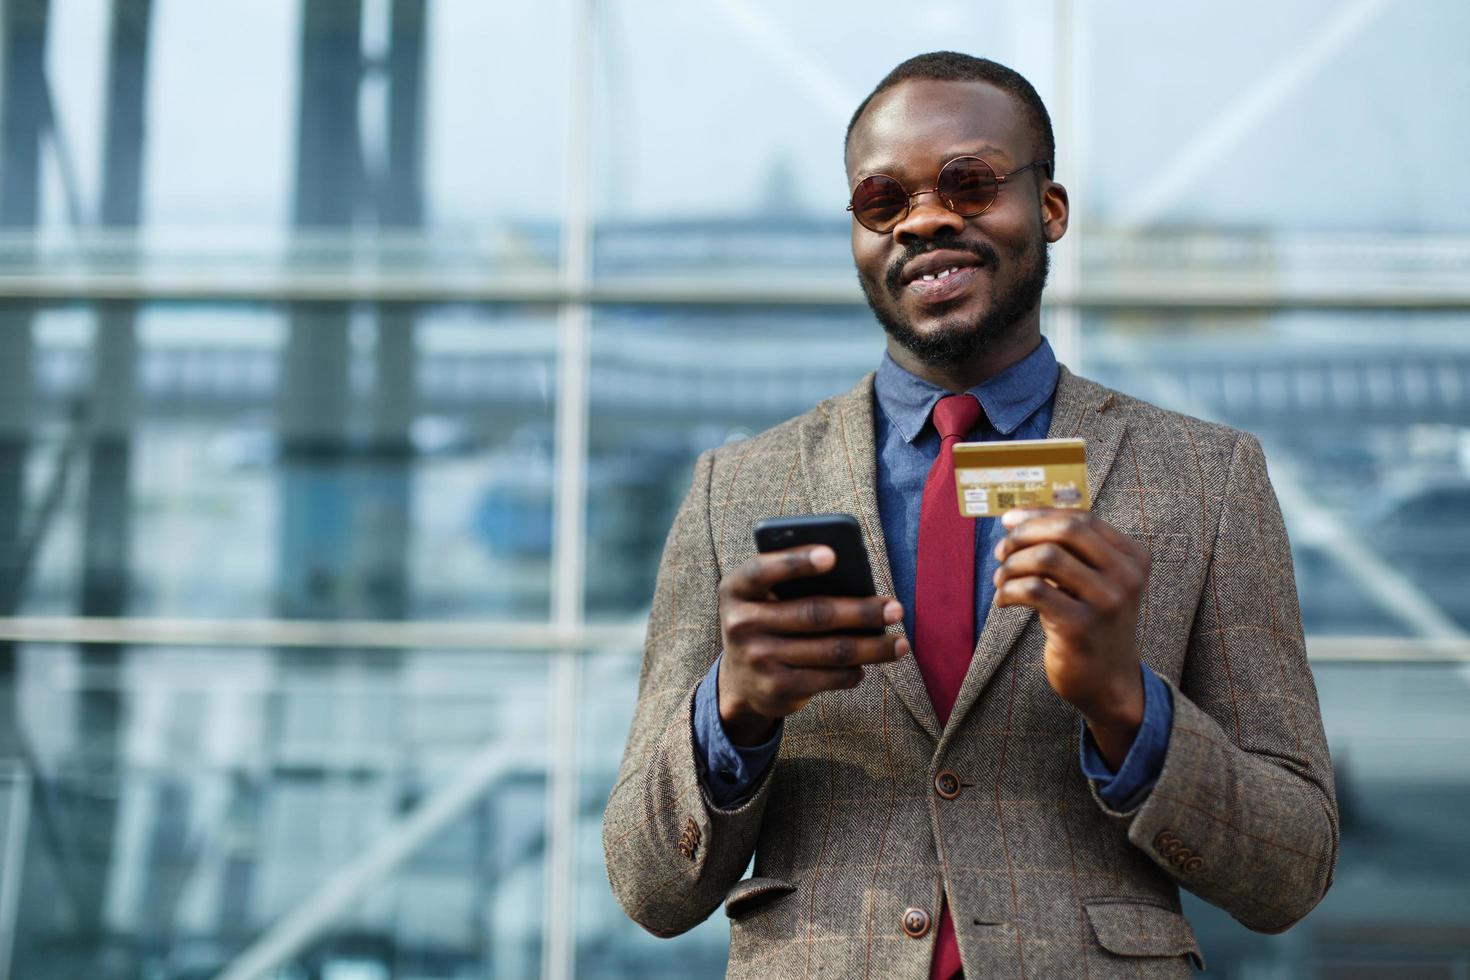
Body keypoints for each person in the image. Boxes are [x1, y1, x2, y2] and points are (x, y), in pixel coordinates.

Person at [602, 51, 1338, 979]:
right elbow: (644, 885)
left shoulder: (1207, 478)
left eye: (971, 183)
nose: (926, 219)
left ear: (1051, 208)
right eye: (883, 201)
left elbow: (1294, 870)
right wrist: (733, 713)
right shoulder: (734, 489)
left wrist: (1127, 705)